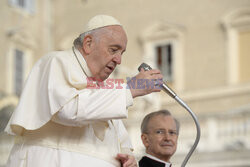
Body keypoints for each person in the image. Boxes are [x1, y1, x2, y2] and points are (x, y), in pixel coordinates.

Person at [5, 15, 163, 167]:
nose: (119, 60)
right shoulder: (56, 62)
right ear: (88, 43)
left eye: (121, 53)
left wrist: (129, 158)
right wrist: (130, 89)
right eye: (113, 50)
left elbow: (121, 141)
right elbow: (68, 109)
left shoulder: (104, 88)